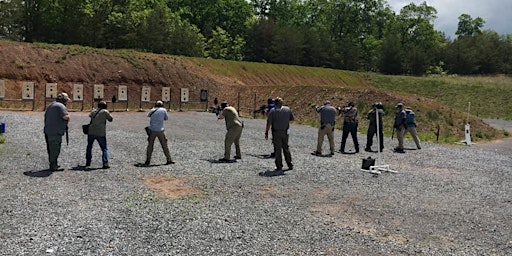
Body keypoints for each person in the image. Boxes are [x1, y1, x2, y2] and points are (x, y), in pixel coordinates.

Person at [265, 97, 294, 171]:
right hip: (285, 131)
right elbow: (292, 118)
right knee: (286, 148)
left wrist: (266, 132)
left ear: (275, 103)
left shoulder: (272, 111)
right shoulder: (287, 109)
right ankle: (290, 164)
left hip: (276, 132)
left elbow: (269, 122)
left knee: (277, 150)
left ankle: (279, 166)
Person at [44, 92, 70, 171]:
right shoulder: (60, 106)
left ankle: (53, 164)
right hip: (55, 132)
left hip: (48, 131)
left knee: (50, 149)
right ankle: (53, 166)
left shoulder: (50, 105)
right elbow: (66, 117)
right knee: (55, 149)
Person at [144, 101, 174, 166]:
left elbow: (148, 116)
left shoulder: (152, 110)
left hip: (152, 130)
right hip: (160, 130)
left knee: (150, 146)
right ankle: (169, 159)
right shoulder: (163, 110)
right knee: (164, 145)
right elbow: (166, 118)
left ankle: (147, 160)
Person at [85, 101, 113, 169]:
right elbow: (110, 119)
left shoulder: (93, 111)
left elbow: (90, 116)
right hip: (100, 132)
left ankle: (88, 162)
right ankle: (105, 163)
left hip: (91, 131)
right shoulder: (105, 112)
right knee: (104, 148)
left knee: (89, 146)